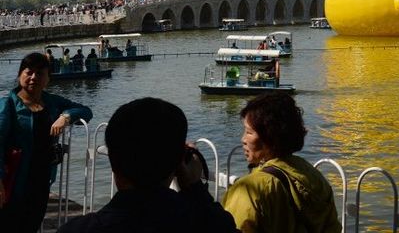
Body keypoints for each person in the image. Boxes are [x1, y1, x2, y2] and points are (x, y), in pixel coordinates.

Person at [58, 97, 238, 233]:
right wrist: (194, 188)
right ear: (179, 163)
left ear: (113, 161)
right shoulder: (206, 223)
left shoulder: (79, 229)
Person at [0, 52, 93, 233]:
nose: (33, 77)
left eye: (40, 73)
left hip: (42, 178)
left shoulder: (51, 102)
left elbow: (85, 111)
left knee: (32, 223)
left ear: (48, 79)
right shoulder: (8, 105)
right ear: (20, 75)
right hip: (15, 180)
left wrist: (66, 117)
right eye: (29, 72)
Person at [222, 93, 341, 233]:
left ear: (270, 136)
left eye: (249, 132)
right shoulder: (313, 176)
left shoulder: (249, 189)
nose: (243, 139)